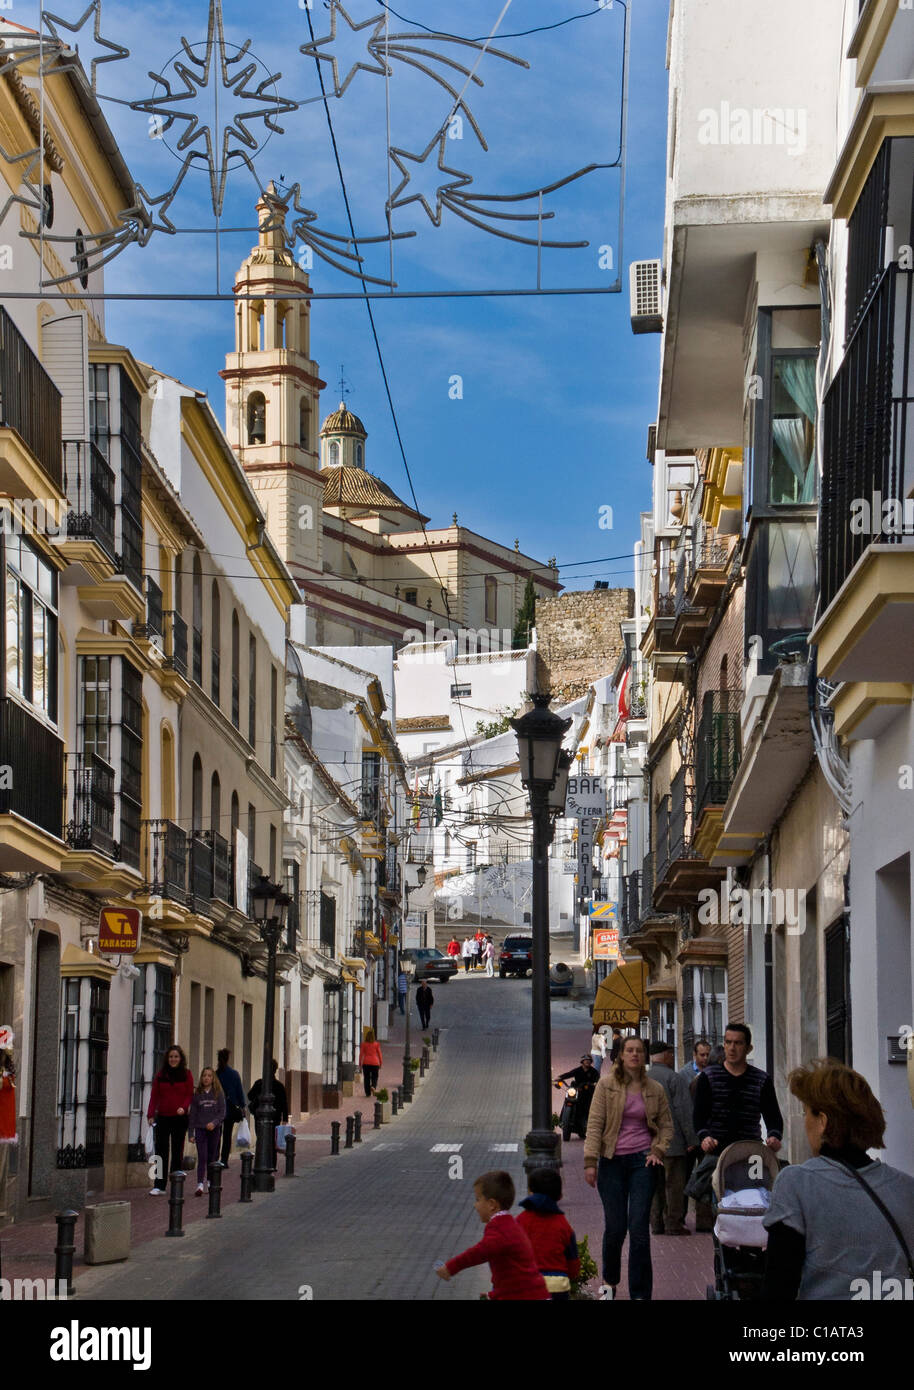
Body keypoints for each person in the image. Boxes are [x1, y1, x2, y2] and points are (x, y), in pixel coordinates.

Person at [762, 1059, 914, 1301]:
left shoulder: (797, 1183)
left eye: (806, 1113)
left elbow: (780, 1285)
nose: (804, 1123)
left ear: (822, 1122)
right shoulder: (907, 1188)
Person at [584, 1036, 672, 1301]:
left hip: (643, 1162)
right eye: (629, 1050)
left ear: (645, 1056)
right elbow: (595, 1123)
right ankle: (609, 1285)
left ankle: (641, 1294)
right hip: (612, 1162)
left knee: (638, 1228)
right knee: (615, 1227)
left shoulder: (655, 1089)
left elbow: (667, 1125)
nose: (634, 1055)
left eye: (639, 1051)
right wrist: (590, 1162)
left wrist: (658, 1150)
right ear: (621, 1055)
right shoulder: (606, 1085)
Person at [436, 1170, 550, 1300]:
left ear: (491, 1204)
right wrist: (493, 1295)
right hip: (530, 1292)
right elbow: (513, 1275)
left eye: (478, 1199)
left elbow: (480, 1252)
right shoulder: (510, 1224)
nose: (475, 1205)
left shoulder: (499, 1228)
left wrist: (451, 1267)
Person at [693, 1023, 783, 1156]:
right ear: (724, 1045)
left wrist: (774, 1136)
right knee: (701, 1176)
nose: (732, 1048)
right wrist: (704, 1137)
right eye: (728, 1042)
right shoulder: (708, 1076)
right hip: (717, 1150)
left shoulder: (761, 1079)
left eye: (738, 1043)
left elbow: (773, 1116)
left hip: (751, 1151)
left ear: (749, 1048)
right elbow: (699, 1116)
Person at [647, 1040, 698, 1235]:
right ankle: (673, 1223)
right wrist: (692, 1139)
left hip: (649, 1144)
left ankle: (656, 1222)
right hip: (673, 1143)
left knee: (655, 1186)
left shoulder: (643, 1078)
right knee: (674, 1185)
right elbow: (684, 1111)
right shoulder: (674, 1078)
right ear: (667, 1055)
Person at [517, 1167, 581, 1300]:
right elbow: (573, 1263)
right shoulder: (563, 1225)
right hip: (557, 1286)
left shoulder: (520, 1221)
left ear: (530, 1192)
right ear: (560, 1195)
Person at [147, 1045, 194, 1194]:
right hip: (163, 1117)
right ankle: (159, 1185)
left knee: (177, 1150)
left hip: (179, 1118)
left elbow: (189, 1094)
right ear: (167, 1059)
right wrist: (150, 1114)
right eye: (171, 1057)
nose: (173, 1059)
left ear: (181, 1059)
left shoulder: (187, 1074)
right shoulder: (161, 1075)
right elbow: (154, 1096)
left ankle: (175, 1182)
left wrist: (184, 1107)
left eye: (176, 1057)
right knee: (161, 1152)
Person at [678, 1037, 713, 1230]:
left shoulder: (714, 1073)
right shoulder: (684, 1075)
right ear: (694, 1055)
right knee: (685, 1177)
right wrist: (689, 1136)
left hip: (708, 1136)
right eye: (702, 1055)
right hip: (690, 1137)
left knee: (706, 1177)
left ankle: (704, 1221)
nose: (705, 1058)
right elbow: (684, 1108)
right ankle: (681, 1216)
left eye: (708, 1055)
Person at [188, 1066, 226, 1195]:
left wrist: (214, 1123)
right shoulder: (197, 1094)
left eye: (209, 1075)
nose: (206, 1078)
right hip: (200, 1130)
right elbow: (192, 1114)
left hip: (214, 1130)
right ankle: (199, 1184)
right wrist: (191, 1133)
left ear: (213, 1078)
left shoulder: (218, 1093)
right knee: (202, 1157)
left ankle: (210, 1182)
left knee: (212, 1157)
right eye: (204, 1075)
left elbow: (222, 1112)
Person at [248, 1060, 289, 1169]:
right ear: (275, 1070)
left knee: (260, 1139)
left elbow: (249, 1096)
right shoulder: (279, 1086)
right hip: (275, 1118)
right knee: (272, 1141)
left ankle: (260, 1163)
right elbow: (284, 1104)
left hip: (259, 1117)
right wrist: (285, 1119)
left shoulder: (259, 1083)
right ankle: (272, 1164)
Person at [216, 1048, 246, 1168]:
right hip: (230, 1109)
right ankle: (224, 1160)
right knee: (227, 1135)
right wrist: (243, 1106)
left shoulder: (215, 1074)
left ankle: (215, 1158)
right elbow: (239, 1091)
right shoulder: (234, 1074)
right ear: (228, 1059)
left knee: (217, 1135)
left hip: (217, 1109)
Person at [555, 1055, 600, 1132]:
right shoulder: (578, 1070)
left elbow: (598, 1080)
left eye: (589, 1060)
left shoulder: (594, 1072)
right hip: (578, 1091)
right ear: (582, 1062)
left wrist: (595, 1083)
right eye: (586, 1060)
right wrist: (560, 1077)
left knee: (591, 1104)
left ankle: (587, 1121)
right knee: (567, 1099)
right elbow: (569, 1074)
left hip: (588, 1093)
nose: (587, 1061)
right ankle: (563, 1120)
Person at [359, 1028, 383, 1097]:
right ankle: (373, 1086)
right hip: (375, 1063)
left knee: (366, 1078)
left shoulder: (364, 1044)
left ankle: (367, 1093)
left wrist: (360, 1063)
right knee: (375, 1077)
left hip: (366, 1063)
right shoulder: (376, 1044)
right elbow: (379, 1054)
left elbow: (361, 1054)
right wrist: (381, 1063)